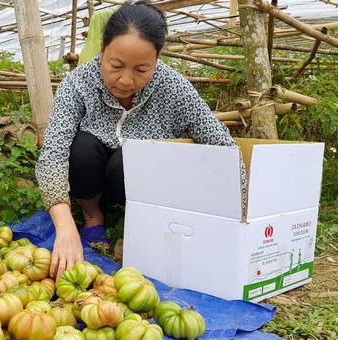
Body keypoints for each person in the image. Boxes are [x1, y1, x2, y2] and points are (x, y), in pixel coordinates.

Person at [36, 0, 240, 280]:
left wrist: (239, 210)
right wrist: (65, 224)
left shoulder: (174, 88)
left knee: (132, 158)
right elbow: (54, 153)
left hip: (142, 185)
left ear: (157, 60)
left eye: (141, 70)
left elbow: (222, 146)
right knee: (80, 147)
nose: (125, 80)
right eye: (116, 65)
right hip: (90, 178)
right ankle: (92, 217)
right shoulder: (78, 84)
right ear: (101, 51)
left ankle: (139, 225)